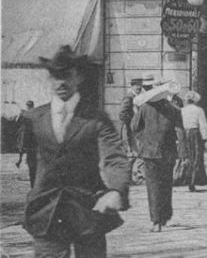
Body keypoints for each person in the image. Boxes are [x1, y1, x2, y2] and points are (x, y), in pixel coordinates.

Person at [20, 46, 129, 257]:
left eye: (67, 75)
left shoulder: (96, 119)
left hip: (88, 210)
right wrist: (36, 192)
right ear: (49, 79)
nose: (61, 82)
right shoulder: (34, 119)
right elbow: (32, 161)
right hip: (46, 213)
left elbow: (115, 157)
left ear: (78, 77)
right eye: (56, 76)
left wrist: (116, 189)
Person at [132, 75, 183, 232]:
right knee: (166, 185)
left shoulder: (144, 107)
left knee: (153, 186)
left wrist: (144, 139)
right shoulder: (173, 109)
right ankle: (165, 217)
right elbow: (180, 131)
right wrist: (182, 152)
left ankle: (156, 221)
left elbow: (135, 127)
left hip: (149, 153)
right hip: (168, 152)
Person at [180, 91, 207, 192]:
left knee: (186, 157)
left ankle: (185, 179)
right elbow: (203, 124)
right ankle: (193, 181)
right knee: (196, 157)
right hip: (195, 135)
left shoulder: (182, 110)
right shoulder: (198, 110)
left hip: (184, 134)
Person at [16, 100, 37, 188]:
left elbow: (17, 121)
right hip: (29, 133)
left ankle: (20, 159)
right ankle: (20, 159)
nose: (28, 107)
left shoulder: (26, 113)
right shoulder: (33, 112)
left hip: (28, 133)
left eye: (29, 105)